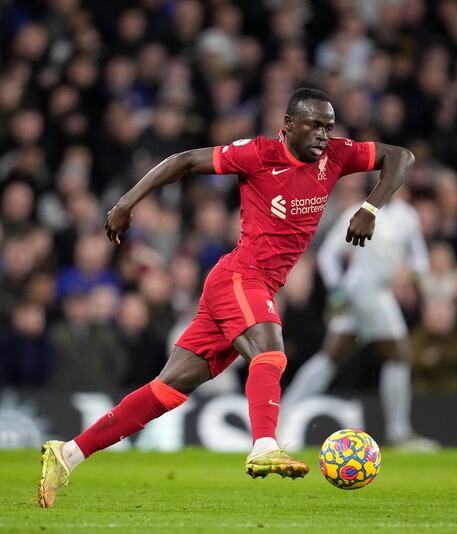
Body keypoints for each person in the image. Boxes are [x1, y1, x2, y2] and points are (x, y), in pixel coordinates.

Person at [37, 88, 415, 507]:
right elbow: (183, 161)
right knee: (270, 353)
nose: (324, 135)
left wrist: (371, 207)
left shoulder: (338, 156)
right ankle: (263, 446)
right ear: (288, 125)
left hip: (258, 285)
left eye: (329, 126)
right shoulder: (257, 154)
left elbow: (401, 156)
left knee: (168, 390)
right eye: (314, 124)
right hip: (240, 277)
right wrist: (126, 203)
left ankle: (67, 454)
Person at [281, 193, 439, 451]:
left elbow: (419, 257)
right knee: (397, 355)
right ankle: (399, 433)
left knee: (331, 356)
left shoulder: (406, 217)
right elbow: (328, 254)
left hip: (374, 292)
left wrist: (413, 276)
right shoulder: (358, 211)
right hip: (365, 292)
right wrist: (336, 290)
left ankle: (282, 414)